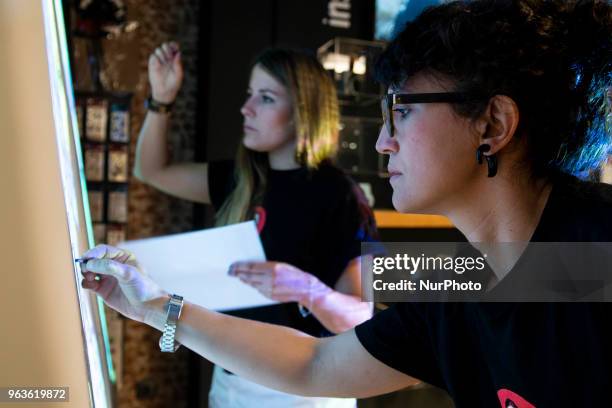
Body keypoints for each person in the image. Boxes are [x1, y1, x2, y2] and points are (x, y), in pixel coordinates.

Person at [81, 0, 612, 406]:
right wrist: (152, 306)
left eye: (401, 111)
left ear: (492, 125)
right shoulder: (458, 278)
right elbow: (316, 363)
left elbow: (348, 313)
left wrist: (308, 289)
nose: (383, 141)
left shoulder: (594, 255)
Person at [133, 44, 377, 407]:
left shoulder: (340, 196)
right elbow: (150, 170)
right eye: (250, 95)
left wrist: (306, 289)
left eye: (265, 98)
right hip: (230, 381)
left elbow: (360, 317)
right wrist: (161, 99)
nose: (246, 108)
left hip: (298, 392)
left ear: (302, 111)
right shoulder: (243, 178)